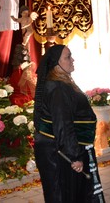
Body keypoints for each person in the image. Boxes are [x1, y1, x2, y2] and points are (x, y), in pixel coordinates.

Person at [33, 44, 104, 202]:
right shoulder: (58, 89)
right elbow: (63, 125)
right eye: (68, 57)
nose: (72, 60)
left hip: (62, 150)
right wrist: (74, 156)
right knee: (63, 195)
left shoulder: (61, 83)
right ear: (56, 64)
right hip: (61, 154)